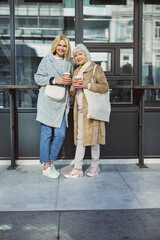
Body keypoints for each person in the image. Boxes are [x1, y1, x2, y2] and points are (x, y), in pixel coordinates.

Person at [64, 44, 109, 179]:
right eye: (76, 56)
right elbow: (73, 94)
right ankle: (82, 167)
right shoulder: (76, 71)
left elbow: (105, 87)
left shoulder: (96, 69)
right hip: (79, 111)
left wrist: (87, 85)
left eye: (80, 54)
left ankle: (91, 167)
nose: (78, 57)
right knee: (81, 139)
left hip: (92, 110)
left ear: (86, 55)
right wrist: (73, 86)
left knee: (93, 139)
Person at [34, 35, 72, 179]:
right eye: (60, 45)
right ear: (55, 45)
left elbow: (70, 80)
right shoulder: (47, 59)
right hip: (47, 101)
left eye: (64, 46)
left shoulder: (69, 63)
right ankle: (46, 167)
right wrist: (55, 80)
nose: (61, 48)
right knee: (46, 135)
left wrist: (69, 82)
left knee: (60, 135)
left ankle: (50, 162)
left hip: (62, 103)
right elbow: (38, 77)